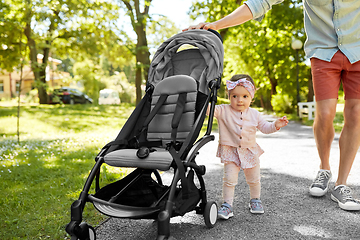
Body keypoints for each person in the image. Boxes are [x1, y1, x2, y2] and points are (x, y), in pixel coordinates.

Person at [184, 0, 360, 211]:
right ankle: (324, 169)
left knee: (356, 114)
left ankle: (341, 183)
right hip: (323, 53)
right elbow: (260, 2)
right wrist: (217, 24)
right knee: (325, 113)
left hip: (358, 50)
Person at [206, 74, 288, 218]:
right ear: (229, 95)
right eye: (234, 96)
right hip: (230, 151)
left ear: (251, 97)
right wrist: (204, 95)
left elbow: (265, 127)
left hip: (250, 151)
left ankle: (255, 200)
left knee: (254, 178)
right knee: (229, 179)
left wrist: (275, 125)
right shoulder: (222, 110)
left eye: (244, 96)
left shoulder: (254, 114)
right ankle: (227, 205)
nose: (239, 100)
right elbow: (208, 110)